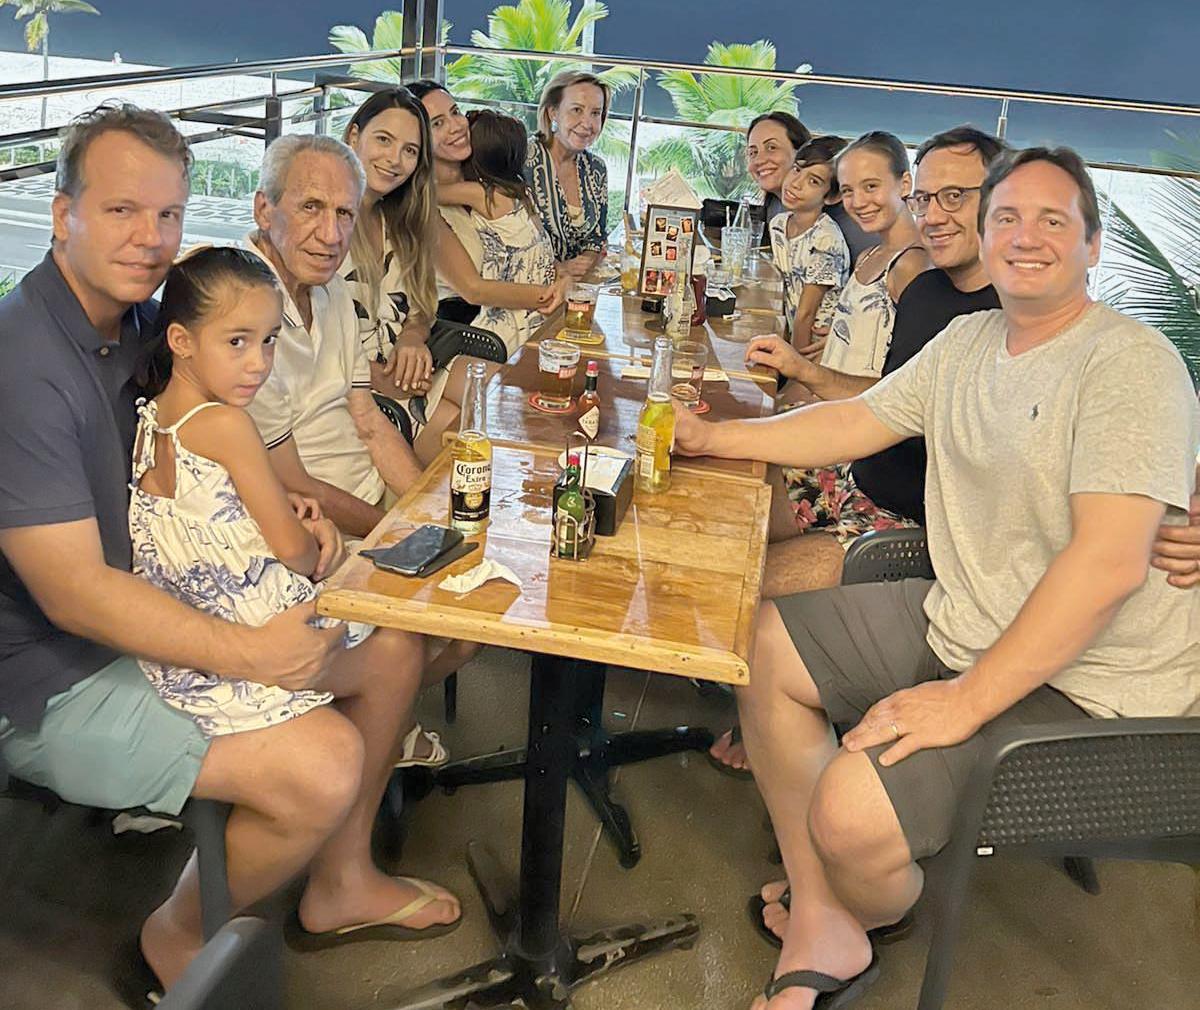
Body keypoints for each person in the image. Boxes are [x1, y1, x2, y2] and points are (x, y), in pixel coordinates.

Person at [675, 145, 1200, 1010]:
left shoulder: (1129, 365)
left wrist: (964, 699)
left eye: (1052, 219)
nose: (1023, 235)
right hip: (968, 614)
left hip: (1094, 681)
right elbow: (854, 420)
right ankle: (826, 918)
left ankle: (865, 897)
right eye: (1006, 217)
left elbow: (1107, 564)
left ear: (1093, 245)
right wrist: (713, 439)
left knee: (845, 813)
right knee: (764, 641)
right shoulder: (968, 338)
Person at [0, 104, 459, 1001]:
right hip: (51, 673)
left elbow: (182, 465)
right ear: (63, 214)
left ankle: (342, 881)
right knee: (322, 761)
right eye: (123, 210)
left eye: (169, 215)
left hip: (156, 605)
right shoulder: (25, 364)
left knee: (395, 645)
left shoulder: (136, 321)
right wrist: (254, 651)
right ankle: (175, 932)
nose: (151, 238)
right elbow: (74, 596)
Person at [709, 126, 1005, 778]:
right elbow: (883, 407)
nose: (931, 214)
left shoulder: (1009, 316)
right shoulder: (934, 294)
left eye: (951, 196)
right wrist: (779, 392)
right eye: (926, 199)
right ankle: (764, 717)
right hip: (856, 481)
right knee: (724, 525)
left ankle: (800, 766)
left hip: (904, 530)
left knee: (735, 595)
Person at [131, 245, 374, 736]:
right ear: (181, 340)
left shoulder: (155, 414)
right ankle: (356, 799)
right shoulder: (228, 424)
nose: (259, 363)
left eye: (269, 340)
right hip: (250, 628)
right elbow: (296, 553)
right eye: (237, 342)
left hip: (182, 641)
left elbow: (205, 514)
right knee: (395, 631)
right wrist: (325, 537)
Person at [241, 133, 423, 541]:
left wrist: (429, 513)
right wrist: (400, 536)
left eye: (345, 213)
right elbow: (292, 485)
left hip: (371, 505)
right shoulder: (236, 307)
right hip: (312, 529)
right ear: (263, 210)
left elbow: (368, 421)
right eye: (311, 207)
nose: (331, 235)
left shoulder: (332, 287)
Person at [341, 87, 482, 465]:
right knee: (466, 436)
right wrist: (378, 378)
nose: (394, 160)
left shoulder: (397, 221)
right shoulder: (325, 229)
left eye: (410, 150)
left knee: (491, 392)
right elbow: (306, 346)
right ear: (354, 136)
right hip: (353, 390)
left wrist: (412, 338)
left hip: (406, 370)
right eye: (384, 140)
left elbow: (421, 306)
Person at [407, 79, 564, 327]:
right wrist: (551, 294)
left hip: (533, 316)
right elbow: (472, 289)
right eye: (437, 123)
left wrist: (562, 276)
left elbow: (525, 248)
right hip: (475, 333)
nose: (456, 126)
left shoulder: (487, 178)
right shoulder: (426, 206)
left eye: (455, 112)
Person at [436, 109, 556, 355]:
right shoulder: (523, 193)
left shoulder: (483, 193)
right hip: (535, 313)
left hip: (505, 322)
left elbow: (430, 193)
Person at [820, 131, 930, 380]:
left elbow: (905, 380)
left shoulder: (912, 264)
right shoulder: (868, 257)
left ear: (905, 184)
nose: (858, 202)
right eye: (848, 191)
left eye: (871, 186)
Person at [747, 111, 875, 263]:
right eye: (752, 152)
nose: (759, 160)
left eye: (772, 147)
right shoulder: (777, 212)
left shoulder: (850, 225)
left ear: (802, 151)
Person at [765, 136, 851, 355]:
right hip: (786, 335)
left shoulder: (825, 239)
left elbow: (806, 313)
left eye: (813, 181)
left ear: (831, 197)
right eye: (796, 170)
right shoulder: (778, 224)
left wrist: (795, 372)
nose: (795, 183)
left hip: (814, 351)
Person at [524, 68, 611, 279]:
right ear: (553, 112)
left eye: (595, 113)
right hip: (526, 288)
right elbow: (509, 236)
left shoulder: (596, 169)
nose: (588, 124)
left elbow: (597, 236)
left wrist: (587, 260)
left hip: (578, 290)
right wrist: (557, 269)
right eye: (576, 110)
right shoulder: (523, 159)